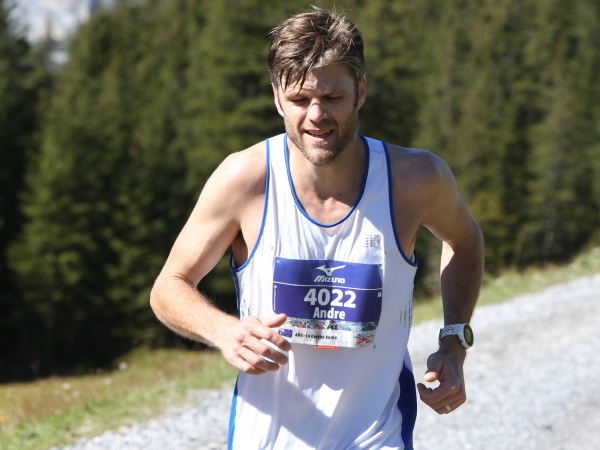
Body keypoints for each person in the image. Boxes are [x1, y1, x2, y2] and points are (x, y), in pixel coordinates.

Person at [150, 6, 484, 450]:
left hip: (376, 435)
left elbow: (464, 240)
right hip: (267, 439)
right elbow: (168, 287)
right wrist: (225, 331)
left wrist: (454, 343)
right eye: (300, 99)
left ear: (360, 91)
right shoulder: (244, 181)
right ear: (277, 98)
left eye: (332, 97)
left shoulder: (414, 180)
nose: (316, 115)